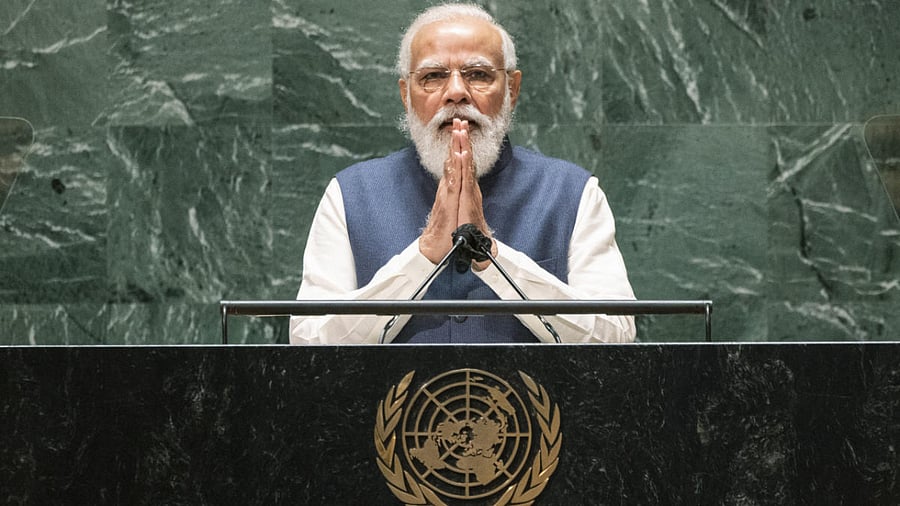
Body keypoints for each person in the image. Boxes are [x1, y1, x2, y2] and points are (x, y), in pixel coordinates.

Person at [290, 3, 636, 344]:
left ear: (511, 90)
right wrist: (424, 255)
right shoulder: (350, 194)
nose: (456, 92)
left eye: (478, 75)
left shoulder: (574, 193)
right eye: (433, 77)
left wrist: (493, 255)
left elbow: (616, 339)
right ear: (406, 96)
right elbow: (308, 343)